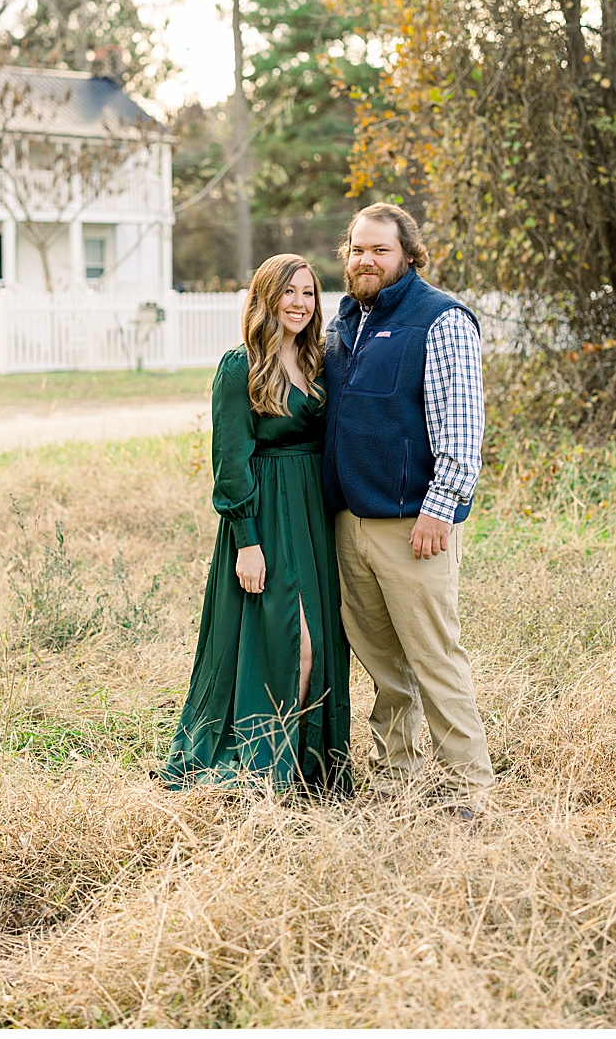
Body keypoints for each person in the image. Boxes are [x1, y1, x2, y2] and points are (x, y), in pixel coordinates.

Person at [322, 202, 493, 817]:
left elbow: (462, 427)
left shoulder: (440, 320)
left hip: (414, 526)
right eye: (357, 249)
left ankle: (470, 790)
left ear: (409, 256)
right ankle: (400, 782)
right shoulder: (343, 325)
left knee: (434, 657)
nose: (365, 260)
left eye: (380, 250)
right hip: (350, 523)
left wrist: (439, 510)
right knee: (382, 664)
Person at [161, 254, 352, 795]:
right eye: (288, 293)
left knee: (323, 639)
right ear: (266, 299)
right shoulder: (238, 366)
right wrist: (247, 541)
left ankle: (309, 767)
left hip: (314, 516)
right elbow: (230, 460)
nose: (299, 303)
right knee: (292, 641)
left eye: (309, 293)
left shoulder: (319, 361)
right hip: (266, 516)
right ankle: (266, 767)